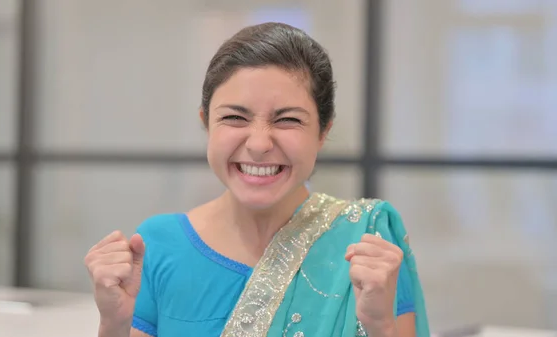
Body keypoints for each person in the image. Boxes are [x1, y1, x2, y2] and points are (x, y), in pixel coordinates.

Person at [84, 22, 430, 337]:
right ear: (207, 122)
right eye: (235, 117)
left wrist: (379, 325)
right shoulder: (157, 247)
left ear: (323, 132)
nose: (260, 144)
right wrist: (113, 323)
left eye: (288, 120)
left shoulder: (368, 243)